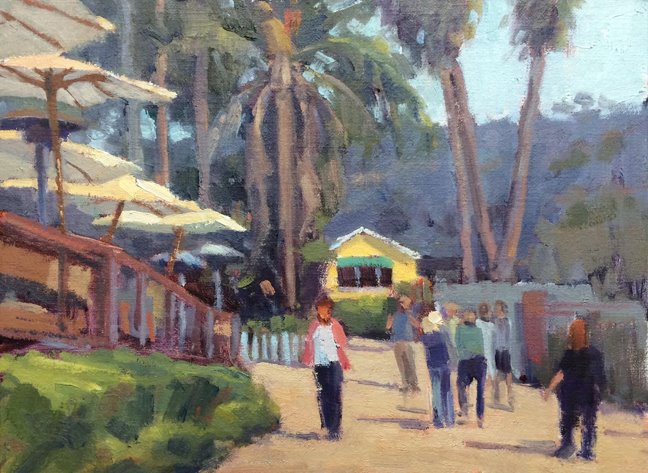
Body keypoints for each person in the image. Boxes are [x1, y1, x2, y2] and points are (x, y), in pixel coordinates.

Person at [542, 318, 606, 461]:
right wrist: (600, 393)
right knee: (588, 423)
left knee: (568, 420)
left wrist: (549, 390)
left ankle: (567, 445)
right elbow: (600, 377)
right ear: (585, 334)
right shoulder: (594, 353)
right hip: (588, 394)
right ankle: (587, 451)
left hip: (570, 393)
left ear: (571, 334)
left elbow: (560, 374)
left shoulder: (569, 354)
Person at [302, 295, 351, 440]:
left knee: (335, 395)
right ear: (318, 310)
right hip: (319, 365)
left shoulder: (335, 325)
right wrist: (308, 359)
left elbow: (342, 342)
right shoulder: (314, 326)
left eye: (328, 310)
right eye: (322, 309)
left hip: (334, 364)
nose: (325, 313)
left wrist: (338, 348)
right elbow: (308, 343)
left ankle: (335, 428)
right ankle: (327, 425)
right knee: (323, 396)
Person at [421, 309, 455, 428]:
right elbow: (449, 349)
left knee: (436, 393)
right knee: (447, 392)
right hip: (444, 365)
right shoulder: (442, 335)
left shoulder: (425, 338)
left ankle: (438, 420)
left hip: (432, 366)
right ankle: (450, 420)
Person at [455, 310, 486, 427]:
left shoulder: (460, 330)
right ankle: (480, 417)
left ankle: (465, 413)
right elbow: (480, 347)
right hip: (479, 361)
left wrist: (467, 352)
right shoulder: (478, 330)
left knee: (461, 386)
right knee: (480, 390)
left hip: (466, 362)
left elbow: (458, 346)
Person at [386, 295, 420, 393]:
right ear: (403, 305)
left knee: (403, 364)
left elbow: (388, 327)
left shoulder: (395, 315)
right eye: (408, 304)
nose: (409, 306)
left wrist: (390, 319)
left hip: (399, 342)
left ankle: (407, 385)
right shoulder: (408, 315)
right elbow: (417, 325)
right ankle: (413, 385)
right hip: (406, 342)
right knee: (409, 364)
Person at [493, 300, 514, 409]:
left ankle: (510, 394)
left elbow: (509, 337)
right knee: (498, 372)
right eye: (495, 308)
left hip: (505, 350)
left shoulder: (507, 321)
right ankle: (497, 396)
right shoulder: (495, 321)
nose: (496, 310)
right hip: (497, 350)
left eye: (497, 308)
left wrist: (507, 349)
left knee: (507, 372)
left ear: (502, 309)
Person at [476, 302, 496, 394]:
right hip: (481, 352)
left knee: (491, 372)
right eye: (489, 312)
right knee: (485, 373)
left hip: (489, 352)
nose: (490, 313)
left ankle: (489, 393)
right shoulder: (477, 323)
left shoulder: (492, 326)